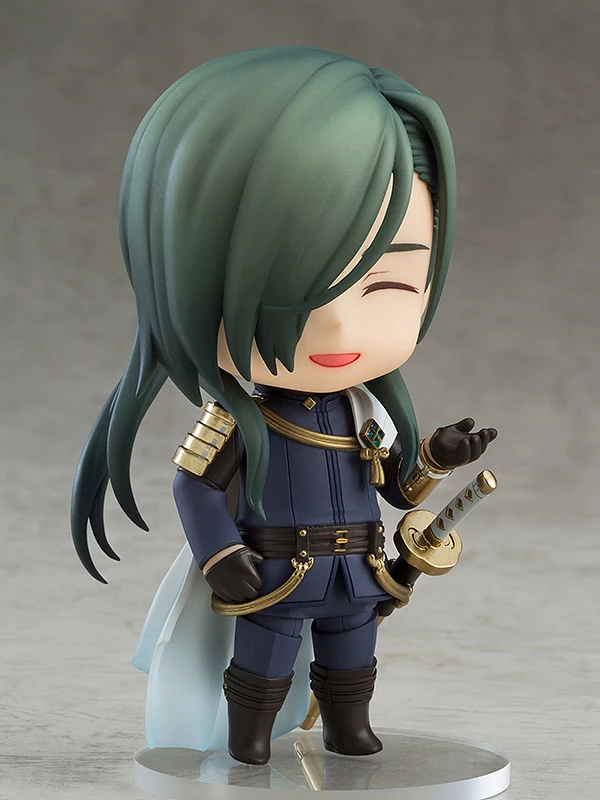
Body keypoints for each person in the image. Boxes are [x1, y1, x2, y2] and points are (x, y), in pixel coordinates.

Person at [71, 46, 496, 766]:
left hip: (358, 570)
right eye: (289, 291)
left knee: (351, 660)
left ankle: (348, 727)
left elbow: (395, 487)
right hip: (278, 570)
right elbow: (194, 485)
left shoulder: (364, 412)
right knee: (261, 663)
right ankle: (249, 739)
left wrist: (434, 458)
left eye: (386, 284)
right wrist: (219, 554)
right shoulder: (242, 418)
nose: (336, 325)